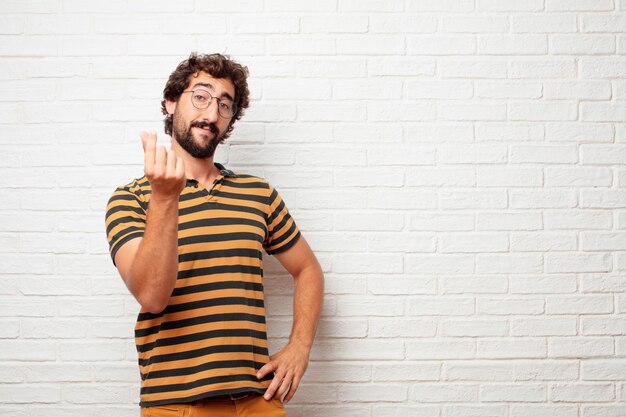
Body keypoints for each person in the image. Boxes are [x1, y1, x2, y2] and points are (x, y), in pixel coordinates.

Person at [104, 52, 324, 417]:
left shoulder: (258, 194)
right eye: (200, 96)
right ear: (171, 102)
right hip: (175, 405)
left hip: (259, 401)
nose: (210, 114)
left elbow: (308, 270)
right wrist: (164, 196)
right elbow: (152, 295)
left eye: (225, 104)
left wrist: (299, 347)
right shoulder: (132, 199)